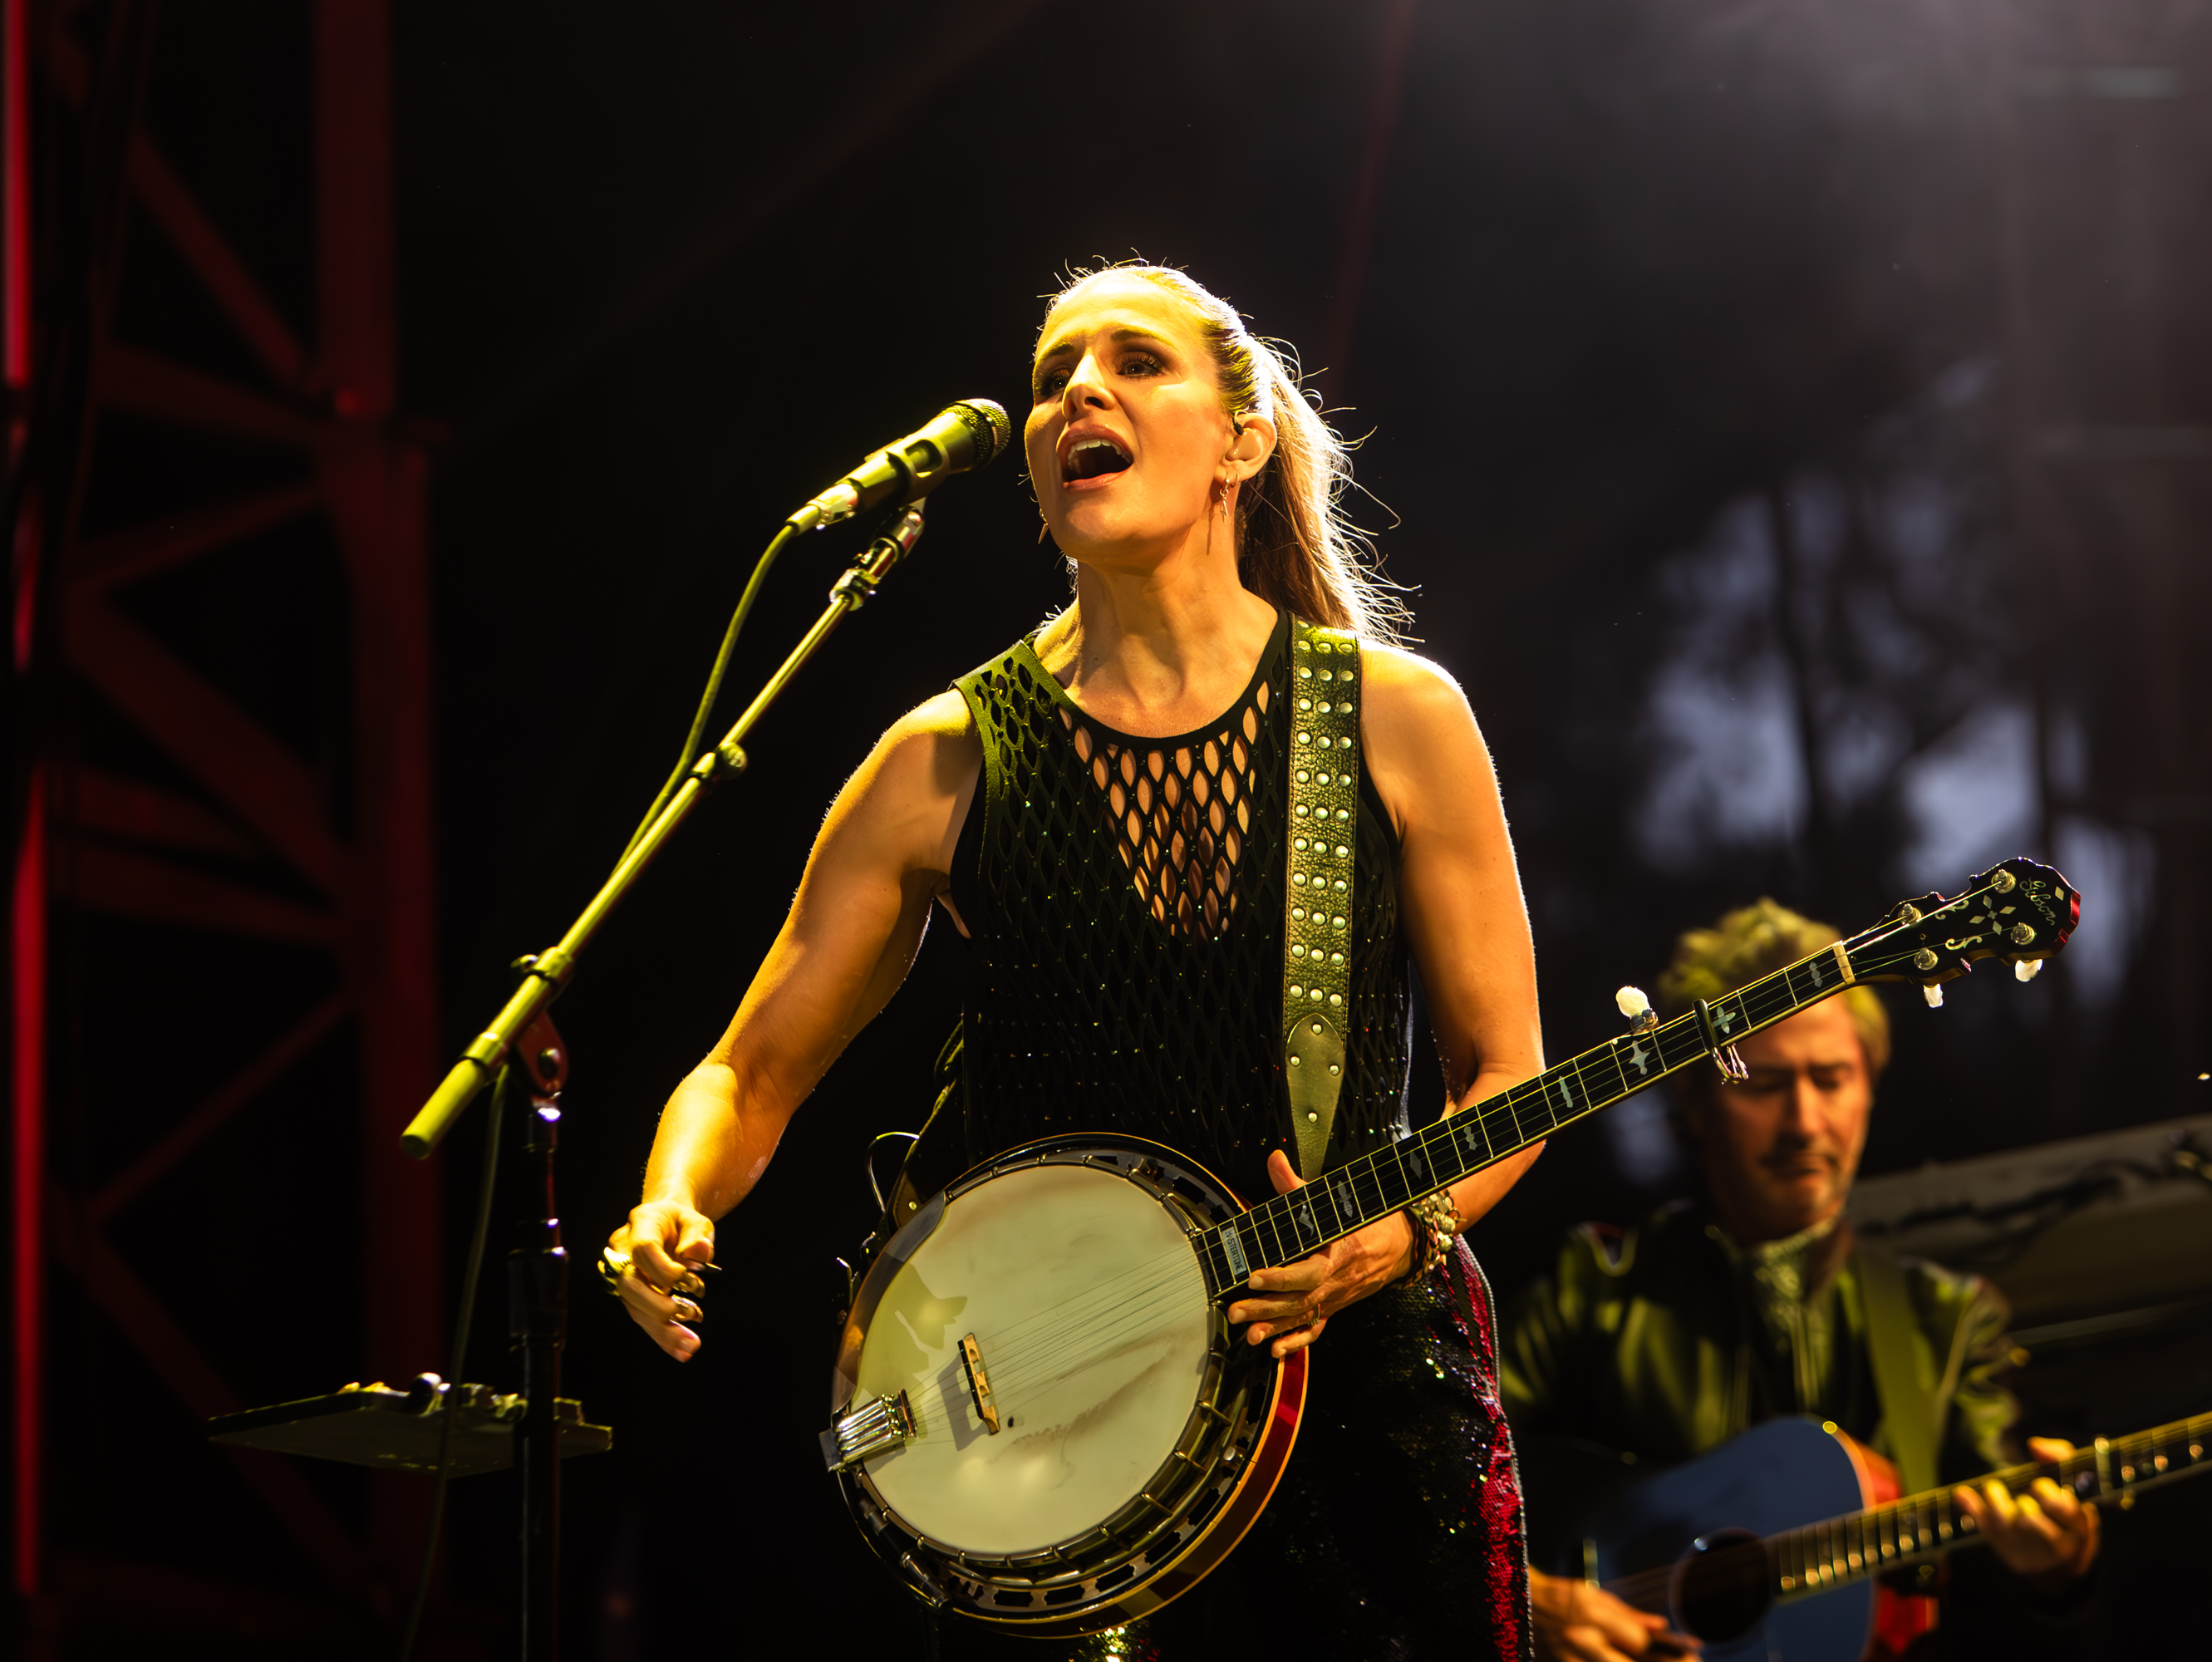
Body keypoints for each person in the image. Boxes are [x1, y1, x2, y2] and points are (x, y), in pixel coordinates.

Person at [607, 262, 1548, 1659]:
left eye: (1136, 361)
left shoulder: (1394, 718)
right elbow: (746, 1074)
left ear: (1243, 441)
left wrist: (1402, 1234)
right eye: (1054, 378)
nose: (1077, 396)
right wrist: (670, 1200)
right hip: (1054, 1431)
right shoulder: (942, 758)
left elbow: (1506, 1074)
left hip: (1355, 1402)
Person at [1499, 901, 2100, 1661]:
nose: (1805, 1122)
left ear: (1870, 1088)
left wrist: (2057, 1574)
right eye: (1764, 1082)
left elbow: (1996, 1608)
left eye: (1831, 1079)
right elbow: (1427, 1485)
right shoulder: (1590, 1288)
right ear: (1694, 1100)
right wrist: (1526, 1602)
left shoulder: (1945, 1320)